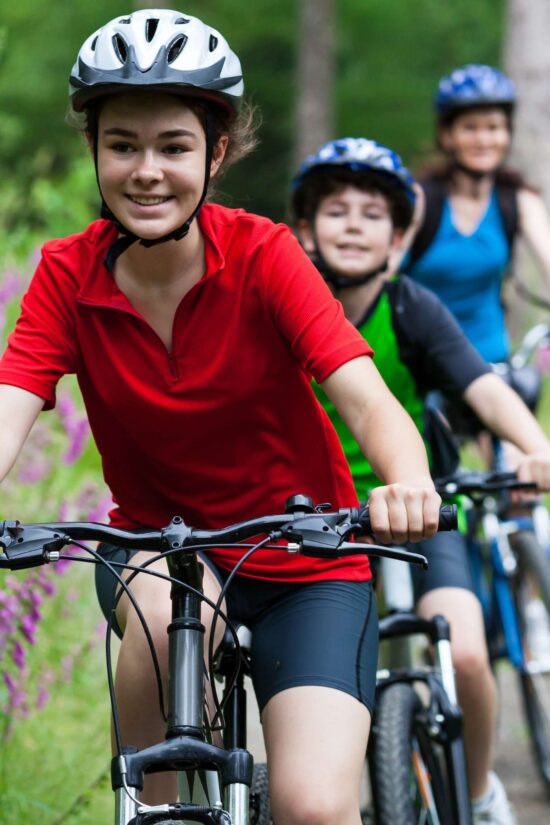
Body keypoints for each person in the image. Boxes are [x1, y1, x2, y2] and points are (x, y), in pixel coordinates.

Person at [0, 10, 442, 823]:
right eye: (122, 144)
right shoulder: (66, 274)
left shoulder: (266, 254)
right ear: (93, 149)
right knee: (170, 609)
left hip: (306, 567)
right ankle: (158, 809)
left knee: (311, 805)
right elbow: (11, 404)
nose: (146, 171)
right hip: (159, 550)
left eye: (173, 146)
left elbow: (366, 395)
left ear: (217, 151)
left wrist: (408, 479)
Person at [290, 136, 550, 825]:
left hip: (423, 506)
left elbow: (482, 388)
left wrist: (534, 445)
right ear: (304, 231)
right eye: (335, 210)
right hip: (310, 517)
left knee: (464, 645)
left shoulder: (412, 308)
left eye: (372, 214)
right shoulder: (285, 304)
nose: (352, 224)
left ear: (400, 237)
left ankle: (481, 787)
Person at [404, 63, 550, 365]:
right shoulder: (419, 200)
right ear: (446, 136)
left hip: (490, 364)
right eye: (470, 128)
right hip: (417, 364)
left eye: (494, 128)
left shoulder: (518, 201)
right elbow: (379, 274)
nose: (483, 140)